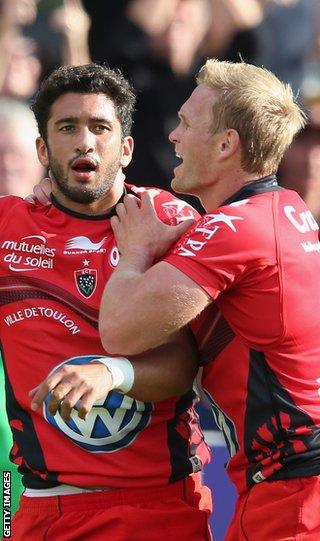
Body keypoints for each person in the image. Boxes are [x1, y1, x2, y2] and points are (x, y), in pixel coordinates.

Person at [99, 59, 320, 540]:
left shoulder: (235, 227)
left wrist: (135, 253)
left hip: (294, 490)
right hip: (288, 482)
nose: (172, 135)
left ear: (226, 145)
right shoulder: (287, 207)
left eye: (187, 123)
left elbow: (119, 329)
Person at [0, 63, 212, 541]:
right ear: (42, 149)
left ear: (127, 148)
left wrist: (111, 372)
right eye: (67, 127)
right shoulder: (7, 228)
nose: (85, 142)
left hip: (159, 505)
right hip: (42, 506)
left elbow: (186, 362)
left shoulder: (170, 223)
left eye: (100, 127)